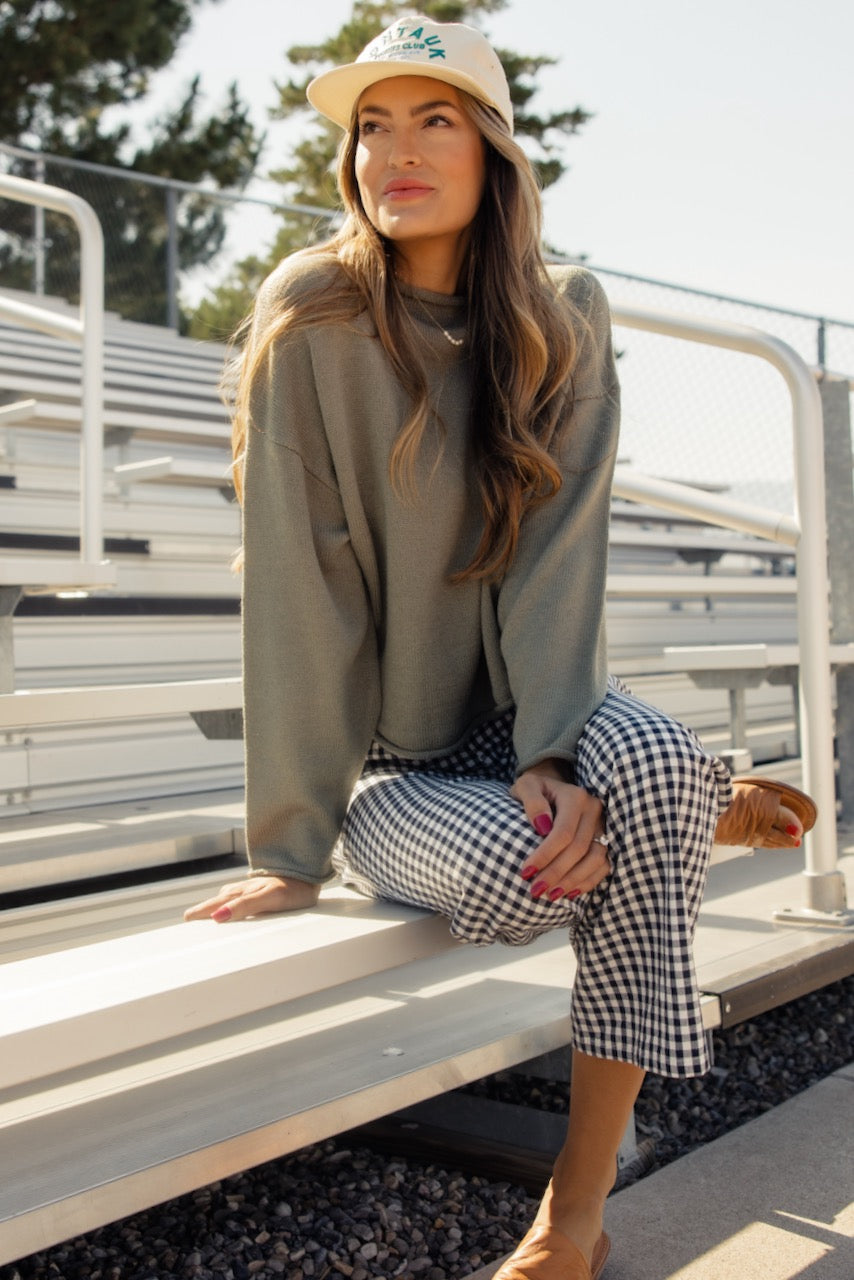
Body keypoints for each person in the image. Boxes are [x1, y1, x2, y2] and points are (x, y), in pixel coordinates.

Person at [185, 17, 816, 1279]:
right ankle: (694, 801)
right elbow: (300, 585)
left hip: (534, 708)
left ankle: (568, 1216)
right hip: (397, 764)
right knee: (535, 863)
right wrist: (292, 844)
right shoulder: (309, 314)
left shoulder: (560, 313)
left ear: (494, 153)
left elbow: (556, 552)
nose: (395, 151)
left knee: (623, 773)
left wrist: (553, 746)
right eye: (371, 124)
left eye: (434, 120)